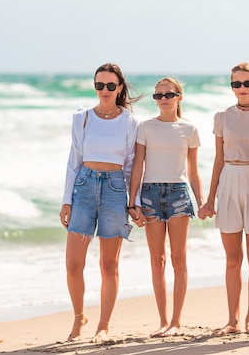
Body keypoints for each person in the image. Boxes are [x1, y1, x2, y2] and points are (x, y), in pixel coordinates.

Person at [59, 63, 140, 343]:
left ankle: (103, 325)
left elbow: (131, 165)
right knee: (73, 264)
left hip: (115, 190)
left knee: (108, 265)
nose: (104, 91)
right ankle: (79, 316)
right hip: (83, 187)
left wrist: (133, 202)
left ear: (119, 88)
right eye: (99, 85)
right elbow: (73, 161)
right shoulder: (82, 118)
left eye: (110, 85)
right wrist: (66, 200)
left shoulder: (130, 121)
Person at [200, 62, 249, 336]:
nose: (242, 88)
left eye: (247, 83)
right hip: (229, 183)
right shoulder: (222, 117)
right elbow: (218, 160)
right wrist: (210, 199)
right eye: (236, 84)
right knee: (233, 258)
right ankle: (232, 321)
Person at [129, 77, 204, 338]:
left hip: (179, 194)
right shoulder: (145, 127)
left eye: (168, 95)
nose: (163, 99)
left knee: (178, 259)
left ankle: (176, 321)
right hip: (149, 195)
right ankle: (162, 321)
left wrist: (202, 201)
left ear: (178, 98)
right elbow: (138, 166)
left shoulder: (190, 128)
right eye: (158, 96)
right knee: (157, 260)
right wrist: (133, 201)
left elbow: (194, 172)